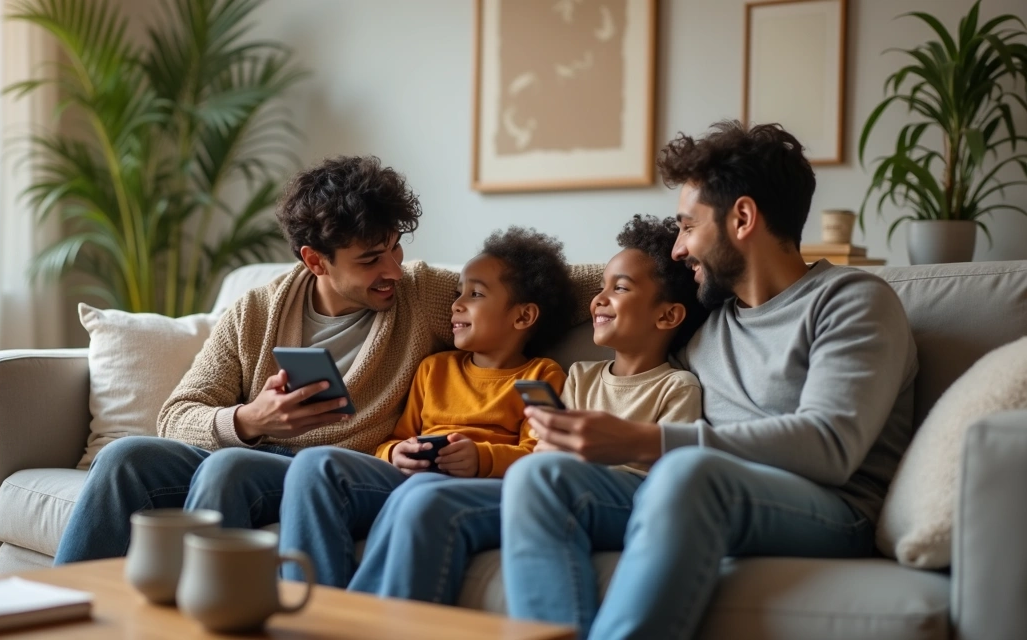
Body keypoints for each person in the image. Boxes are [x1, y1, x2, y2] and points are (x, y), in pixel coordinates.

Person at [54, 157, 601, 564]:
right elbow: (177, 415)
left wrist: (665, 268)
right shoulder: (256, 311)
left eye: (394, 247)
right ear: (316, 260)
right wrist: (249, 420)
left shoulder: (423, 294)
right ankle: (56, 613)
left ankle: (205, 612)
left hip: (337, 471)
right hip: (254, 451)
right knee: (127, 458)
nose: (392, 267)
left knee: (229, 467)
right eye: (370, 259)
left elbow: (553, 284)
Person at [502, 121, 918, 640]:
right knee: (539, 478)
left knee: (688, 473)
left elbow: (831, 445)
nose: (677, 249)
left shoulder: (851, 300)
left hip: (830, 507)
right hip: (696, 496)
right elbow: (628, 300)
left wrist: (644, 440)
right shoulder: (708, 321)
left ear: (742, 217)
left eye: (687, 227)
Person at [342, 214, 709, 604]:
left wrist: (491, 458)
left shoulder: (675, 386)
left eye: (618, 288)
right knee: (413, 492)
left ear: (668, 315)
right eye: (600, 287)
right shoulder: (581, 376)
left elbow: (672, 477)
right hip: (545, 486)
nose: (598, 299)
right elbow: (546, 448)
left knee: (427, 498)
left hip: (603, 497)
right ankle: (353, 618)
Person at [276, 227, 575, 588]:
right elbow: (397, 438)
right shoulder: (435, 368)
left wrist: (482, 458)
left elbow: (541, 456)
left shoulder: (542, 375)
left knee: (421, 496)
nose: (456, 304)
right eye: (457, 292)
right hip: (413, 478)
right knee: (314, 462)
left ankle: (358, 613)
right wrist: (396, 453)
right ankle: (315, 607)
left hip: (477, 486)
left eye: (476, 294)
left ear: (524, 317)